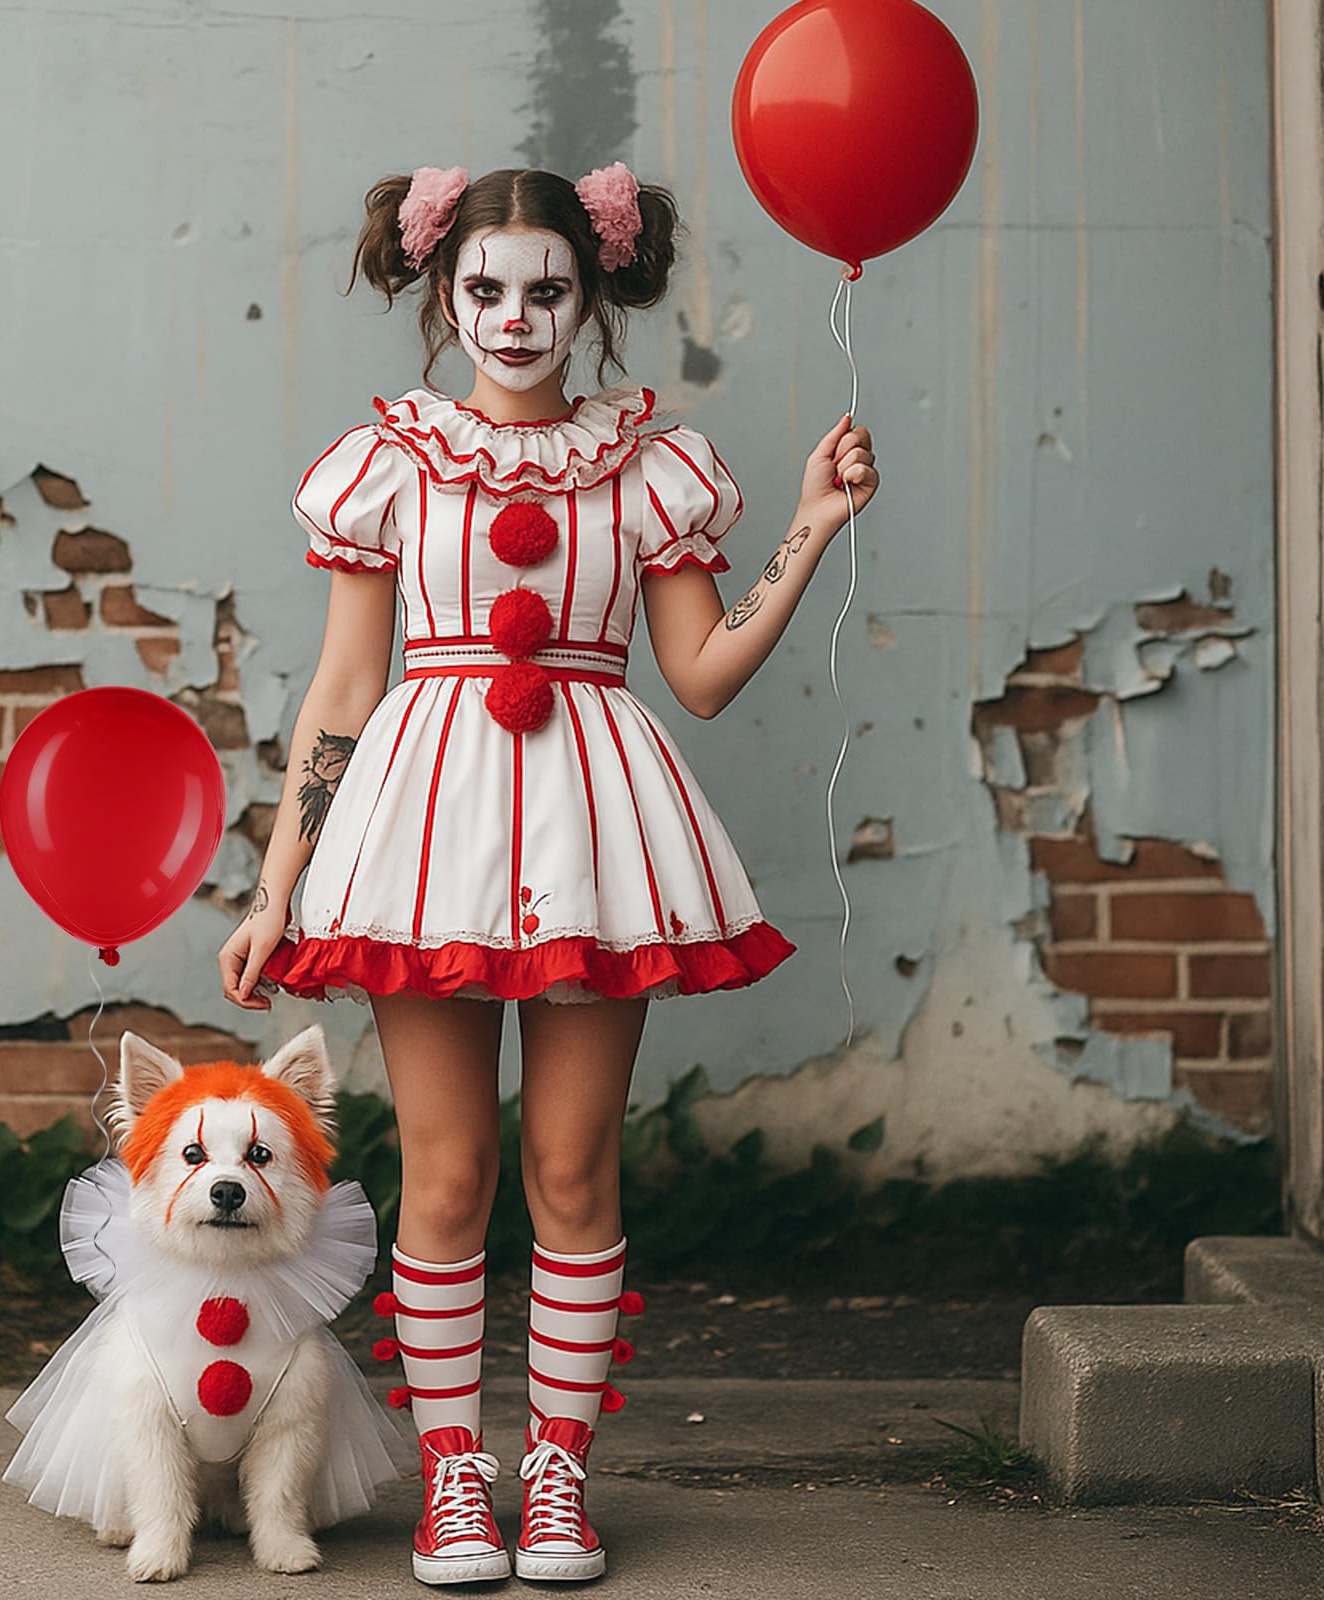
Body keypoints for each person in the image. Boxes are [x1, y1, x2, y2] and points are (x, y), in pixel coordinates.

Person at [217, 161, 878, 1587]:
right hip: (425, 830)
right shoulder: (391, 459)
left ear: (594, 296)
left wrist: (811, 529)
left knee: (573, 1168)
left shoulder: (653, 463)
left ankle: (558, 1479)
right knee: (447, 1175)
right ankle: (458, 1481)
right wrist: (282, 883)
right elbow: (343, 685)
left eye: (547, 291)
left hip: (593, 828)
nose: (515, 319)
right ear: (442, 294)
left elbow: (696, 675)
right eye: (486, 290)